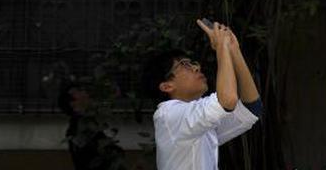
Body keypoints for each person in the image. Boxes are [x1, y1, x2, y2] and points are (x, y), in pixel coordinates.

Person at [142, 20, 263, 170]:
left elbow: (251, 108)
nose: (196, 67)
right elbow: (228, 100)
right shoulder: (168, 114)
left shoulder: (198, 117)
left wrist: (234, 51)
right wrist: (221, 48)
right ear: (167, 86)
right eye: (185, 64)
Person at [57, 81, 126, 170]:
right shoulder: (80, 128)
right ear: (72, 104)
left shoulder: (86, 125)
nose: (84, 92)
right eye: (77, 91)